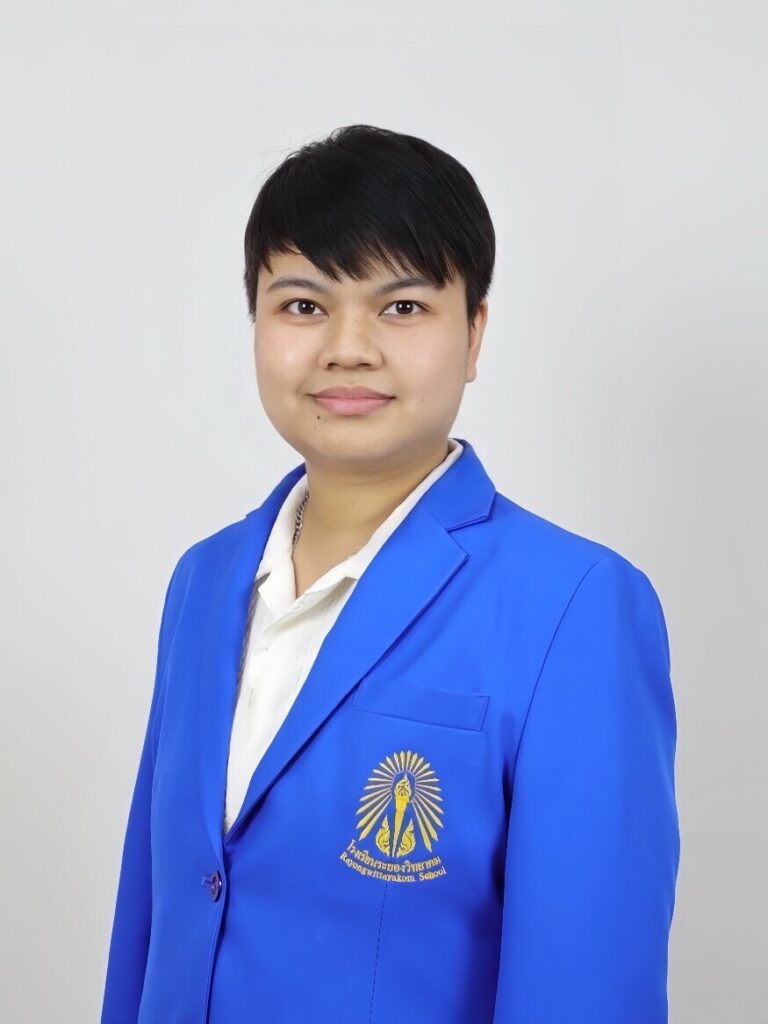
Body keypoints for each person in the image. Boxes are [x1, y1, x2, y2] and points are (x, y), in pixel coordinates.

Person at [100, 124, 680, 1023]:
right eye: (303, 305)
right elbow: (153, 920)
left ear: (474, 332)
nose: (348, 347)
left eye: (402, 307)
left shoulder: (577, 607)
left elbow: (584, 988)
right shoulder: (203, 582)